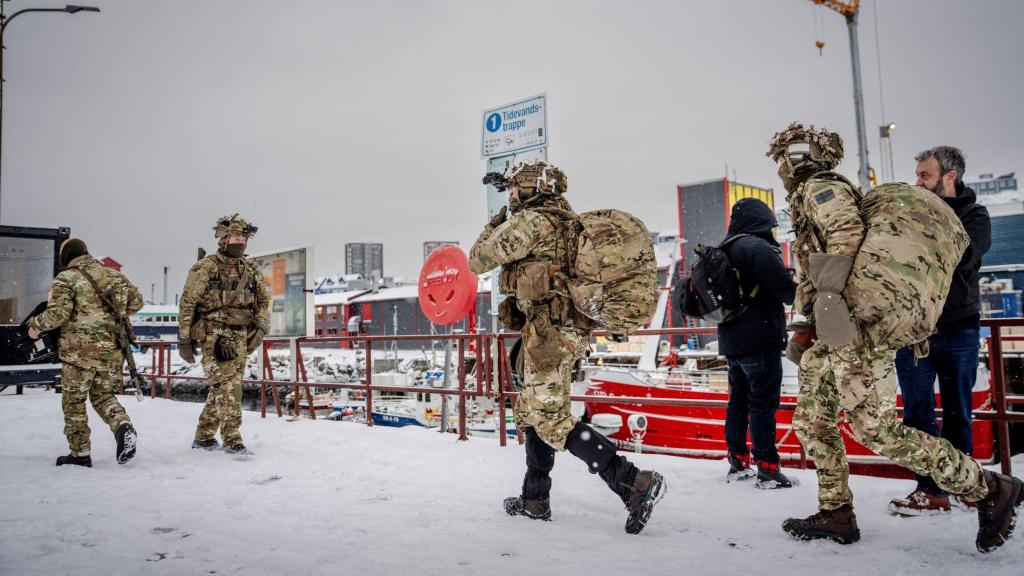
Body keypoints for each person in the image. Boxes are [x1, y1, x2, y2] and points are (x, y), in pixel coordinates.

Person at [768, 122, 1022, 553]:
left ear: (796, 158)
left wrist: (829, 313)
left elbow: (846, 237)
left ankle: (987, 487)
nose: (780, 164)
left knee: (875, 427)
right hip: (836, 326)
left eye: (783, 156)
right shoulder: (815, 190)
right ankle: (837, 511)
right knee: (813, 418)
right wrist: (812, 322)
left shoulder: (820, 187)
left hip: (852, 326)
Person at [469, 160, 665, 534]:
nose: (510, 196)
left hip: (550, 336)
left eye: (514, 190)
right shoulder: (564, 222)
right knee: (532, 411)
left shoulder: (531, 223)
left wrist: (494, 223)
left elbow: (477, 259)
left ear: (530, 189)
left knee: (550, 418)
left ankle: (632, 482)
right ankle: (534, 499)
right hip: (556, 332)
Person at [889, 146, 992, 515]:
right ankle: (929, 489)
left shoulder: (974, 215)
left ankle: (965, 485)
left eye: (925, 176)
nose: (918, 182)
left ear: (950, 177)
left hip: (959, 328)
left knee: (958, 412)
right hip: (913, 331)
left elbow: (964, 254)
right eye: (916, 175)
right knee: (917, 414)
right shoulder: (910, 214)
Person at [28, 238, 143, 467]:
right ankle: (122, 426)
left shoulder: (66, 278)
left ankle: (80, 454)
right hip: (112, 351)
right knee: (103, 396)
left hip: (78, 353)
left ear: (66, 257)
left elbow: (58, 315)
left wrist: (35, 326)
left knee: (74, 402)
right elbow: (137, 302)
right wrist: (109, 315)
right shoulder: (115, 276)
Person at [717, 198, 797, 487]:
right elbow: (787, 292)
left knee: (737, 402)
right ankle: (768, 467)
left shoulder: (725, 248)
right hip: (760, 338)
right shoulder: (757, 248)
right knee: (763, 404)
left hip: (731, 340)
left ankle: (738, 461)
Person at [178, 214, 269, 455]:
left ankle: (204, 436)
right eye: (235, 237)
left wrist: (260, 328)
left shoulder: (250, 268)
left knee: (224, 386)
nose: (240, 242)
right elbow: (188, 304)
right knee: (229, 389)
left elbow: (263, 302)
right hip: (214, 335)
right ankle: (233, 440)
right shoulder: (206, 267)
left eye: (243, 238)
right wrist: (184, 340)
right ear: (224, 238)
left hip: (241, 336)